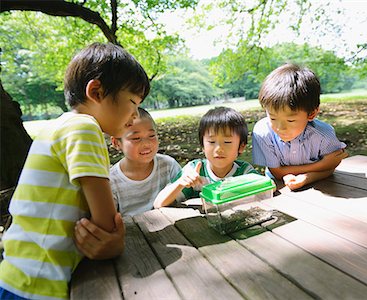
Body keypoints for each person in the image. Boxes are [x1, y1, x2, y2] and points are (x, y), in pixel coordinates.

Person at [0, 42, 150, 299]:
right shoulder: (84, 128)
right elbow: (106, 225)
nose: (135, 115)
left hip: (19, 276)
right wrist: (114, 242)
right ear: (97, 91)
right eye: (133, 102)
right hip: (38, 284)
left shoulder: (58, 126)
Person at [252, 63, 347, 190]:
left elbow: (332, 167)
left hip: (322, 184)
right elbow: (277, 173)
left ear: (312, 113)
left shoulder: (325, 134)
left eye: (290, 120)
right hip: (277, 188)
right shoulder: (262, 132)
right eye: (273, 118)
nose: (280, 128)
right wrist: (323, 164)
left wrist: (308, 177)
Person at [154, 107, 259, 208]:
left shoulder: (244, 172)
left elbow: (269, 188)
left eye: (227, 142)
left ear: (241, 147)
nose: (219, 149)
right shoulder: (194, 171)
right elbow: (159, 203)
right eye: (212, 142)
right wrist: (180, 183)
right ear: (203, 146)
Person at [109, 107, 181, 216]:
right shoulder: (112, 181)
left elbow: (182, 200)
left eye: (151, 136)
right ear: (116, 143)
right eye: (136, 138)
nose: (146, 144)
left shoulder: (168, 166)